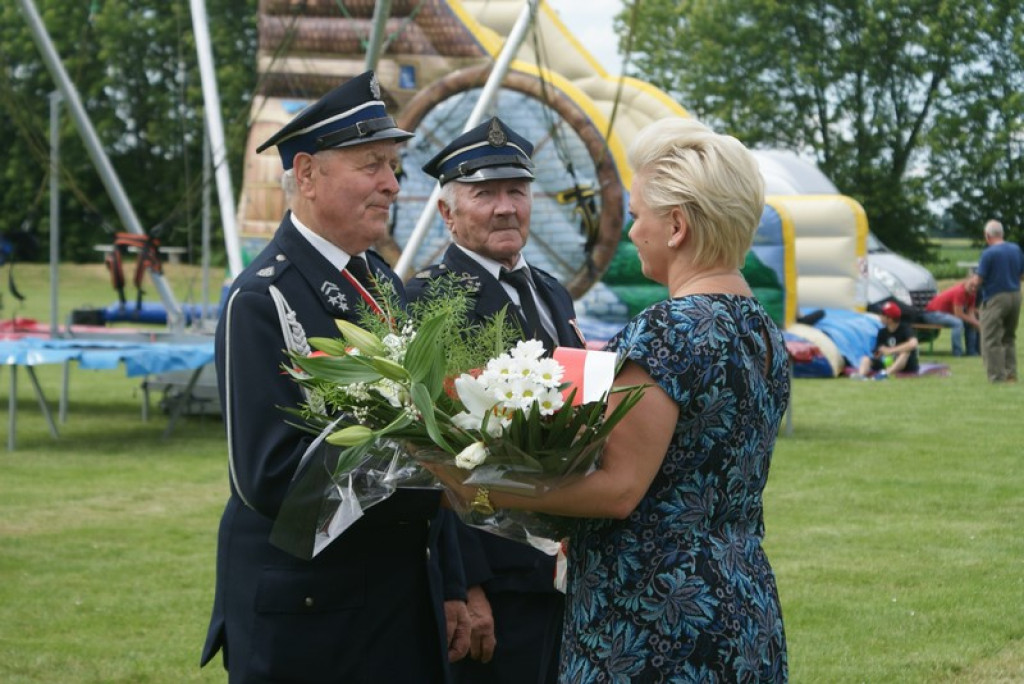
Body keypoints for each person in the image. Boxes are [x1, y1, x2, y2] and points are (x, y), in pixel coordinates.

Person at [428, 116, 790, 681]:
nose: (630, 232)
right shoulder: (762, 331)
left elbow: (619, 490)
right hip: (740, 591)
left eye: (640, 216)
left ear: (676, 227)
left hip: (654, 615)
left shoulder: (666, 331)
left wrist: (473, 483)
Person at [200, 71, 470, 683]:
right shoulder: (262, 299)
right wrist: (415, 454)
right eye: (371, 164)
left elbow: (435, 430)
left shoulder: (380, 285)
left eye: (394, 166)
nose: (392, 184)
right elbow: (267, 479)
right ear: (307, 174)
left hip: (395, 599)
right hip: (312, 613)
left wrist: (450, 581)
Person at [406, 116, 587, 684]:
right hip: (499, 574)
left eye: (517, 191)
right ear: (446, 212)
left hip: (564, 559)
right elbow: (433, 454)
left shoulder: (550, 290)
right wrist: (469, 583)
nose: (506, 207)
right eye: (485, 194)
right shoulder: (430, 301)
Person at [970, 219, 1023, 382]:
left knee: (991, 338)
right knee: (1008, 337)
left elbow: (978, 280)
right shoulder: (1015, 249)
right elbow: (1022, 275)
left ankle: (996, 376)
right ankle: (1010, 373)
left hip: (995, 297)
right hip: (1015, 295)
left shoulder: (988, 253)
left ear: (987, 236)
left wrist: (971, 284)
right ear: (1002, 234)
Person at [852, 301, 920, 379]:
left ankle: (886, 374)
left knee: (905, 353)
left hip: (905, 364)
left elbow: (913, 344)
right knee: (866, 358)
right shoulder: (882, 332)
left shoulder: (905, 329)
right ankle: (861, 375)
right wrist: (880, 352)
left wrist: (891, 350)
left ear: (890, 319)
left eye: (882, 315)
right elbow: (877, 352)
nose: (880, 317)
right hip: (887, 361)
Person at [920, 278, 980, 356]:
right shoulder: (960, 291)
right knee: (958, 323)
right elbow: (959, 314)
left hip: (944, 315)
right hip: (931, 314)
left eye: (976, 287)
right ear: (966, 282)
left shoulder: (972, 294)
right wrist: (977, 323)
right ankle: (957, 353)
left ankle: (972, 352)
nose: (973, 288)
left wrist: (976, 323)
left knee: (971, 324)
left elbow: (970, 313)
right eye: (971, 286)